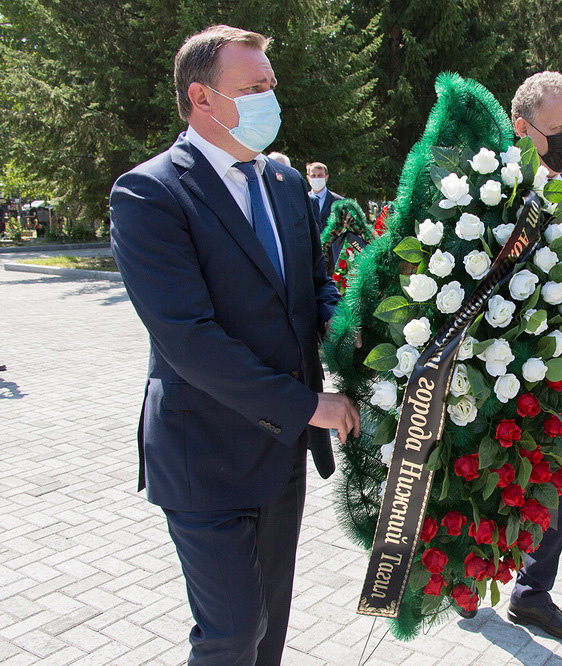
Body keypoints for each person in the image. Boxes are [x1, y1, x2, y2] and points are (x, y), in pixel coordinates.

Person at [109, 25, 361, 665]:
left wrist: (360, 337)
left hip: (280, 459)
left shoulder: (281, 183)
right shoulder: (151, 192)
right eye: (253, 88)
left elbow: (312, 290)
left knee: (269, 626)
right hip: (206, 456)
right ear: (201, 97)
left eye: (271, 85)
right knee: (231, 631)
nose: (270, 99)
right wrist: (309, 405)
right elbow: (188, 339)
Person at [458, 72, 562, 643]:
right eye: (559, 128)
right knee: (488, 478)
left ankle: (532, 592)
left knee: (557, 481)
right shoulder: (489, 191)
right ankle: (470, 576)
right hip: (498, 364)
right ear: (522, 128)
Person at [306, 161, 343, 236]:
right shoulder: (303, 199)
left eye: (320, 175)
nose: (316, 178)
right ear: (308, 178)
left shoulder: (339, 201)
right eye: (313, 176)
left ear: (326, 177)